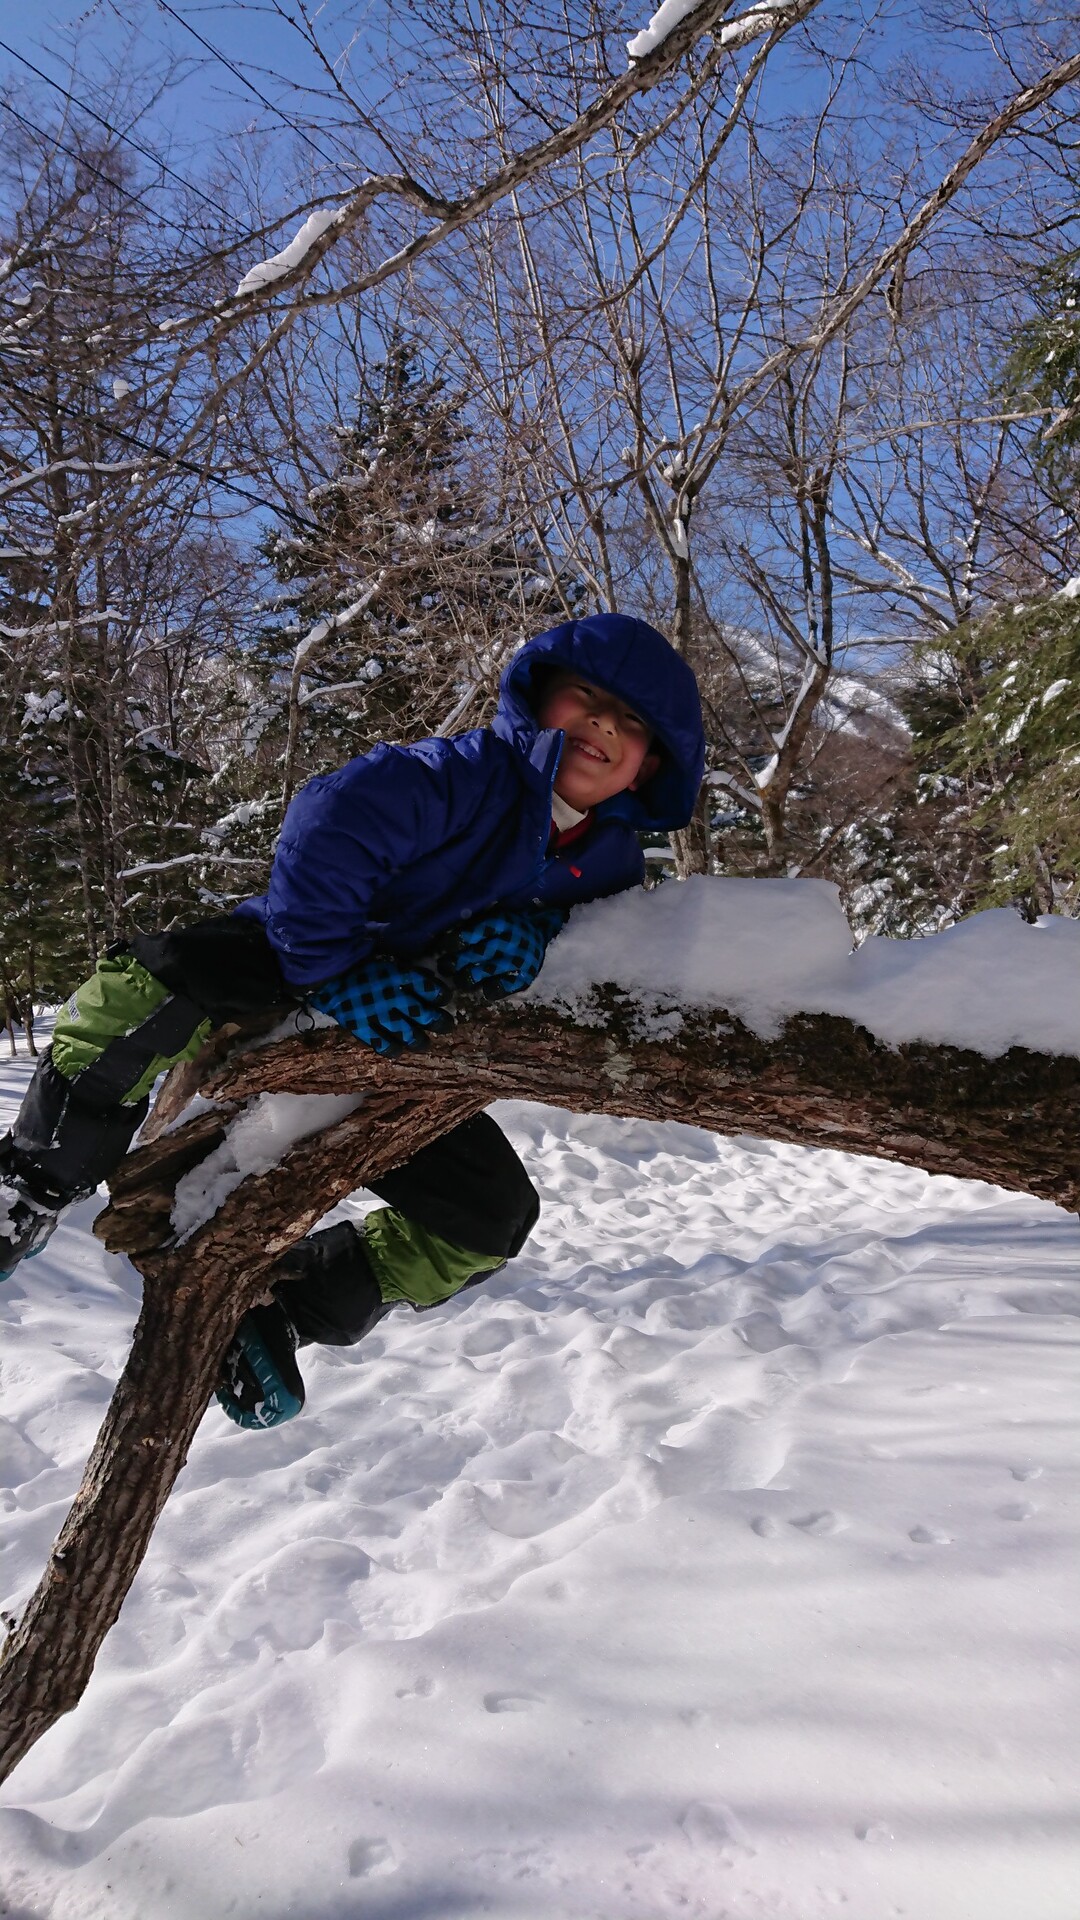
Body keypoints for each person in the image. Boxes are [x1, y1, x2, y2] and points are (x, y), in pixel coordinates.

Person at [0, 612, 704, 1427]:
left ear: (654, 764)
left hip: (407, 1040)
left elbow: (596, 930)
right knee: (148, 984)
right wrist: (335, 970)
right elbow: (326, 828)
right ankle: (29, 1184)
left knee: (489, 1223)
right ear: (538, 697)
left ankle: (280, 1309)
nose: (603, 727)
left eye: (633, 724)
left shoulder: (611, 856)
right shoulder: (455, 777)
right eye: (585, 697)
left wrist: (537, 931)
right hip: (292, 956)